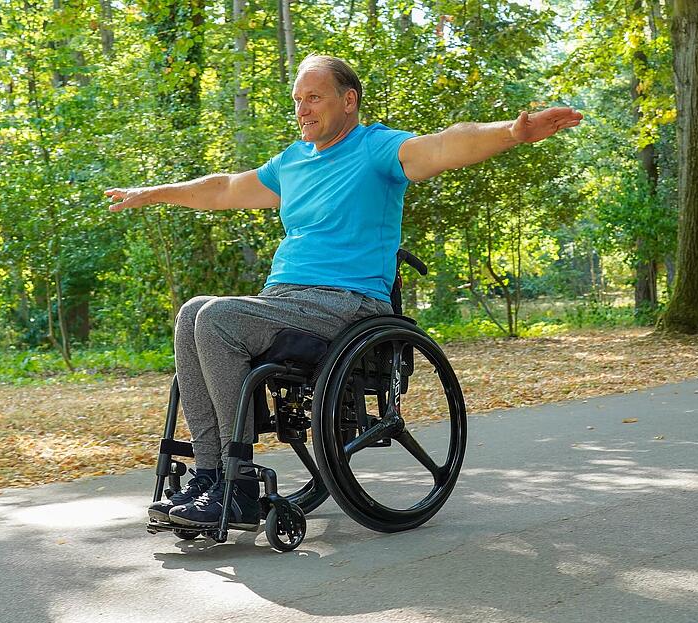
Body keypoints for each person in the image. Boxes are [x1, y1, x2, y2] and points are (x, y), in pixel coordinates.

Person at [106, 55, 581, 531]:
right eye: (298, 100)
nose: (303, 109)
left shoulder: (375, 149)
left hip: (346, 303)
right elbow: (224, 188)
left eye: (314, 97)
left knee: (216, 318)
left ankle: (239, 484)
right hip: (285, 301)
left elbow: (443, 145)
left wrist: (511, 133)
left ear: (348, 100)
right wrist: (153, 192)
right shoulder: (292, 162)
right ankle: (210, 478)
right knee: (193, 312)